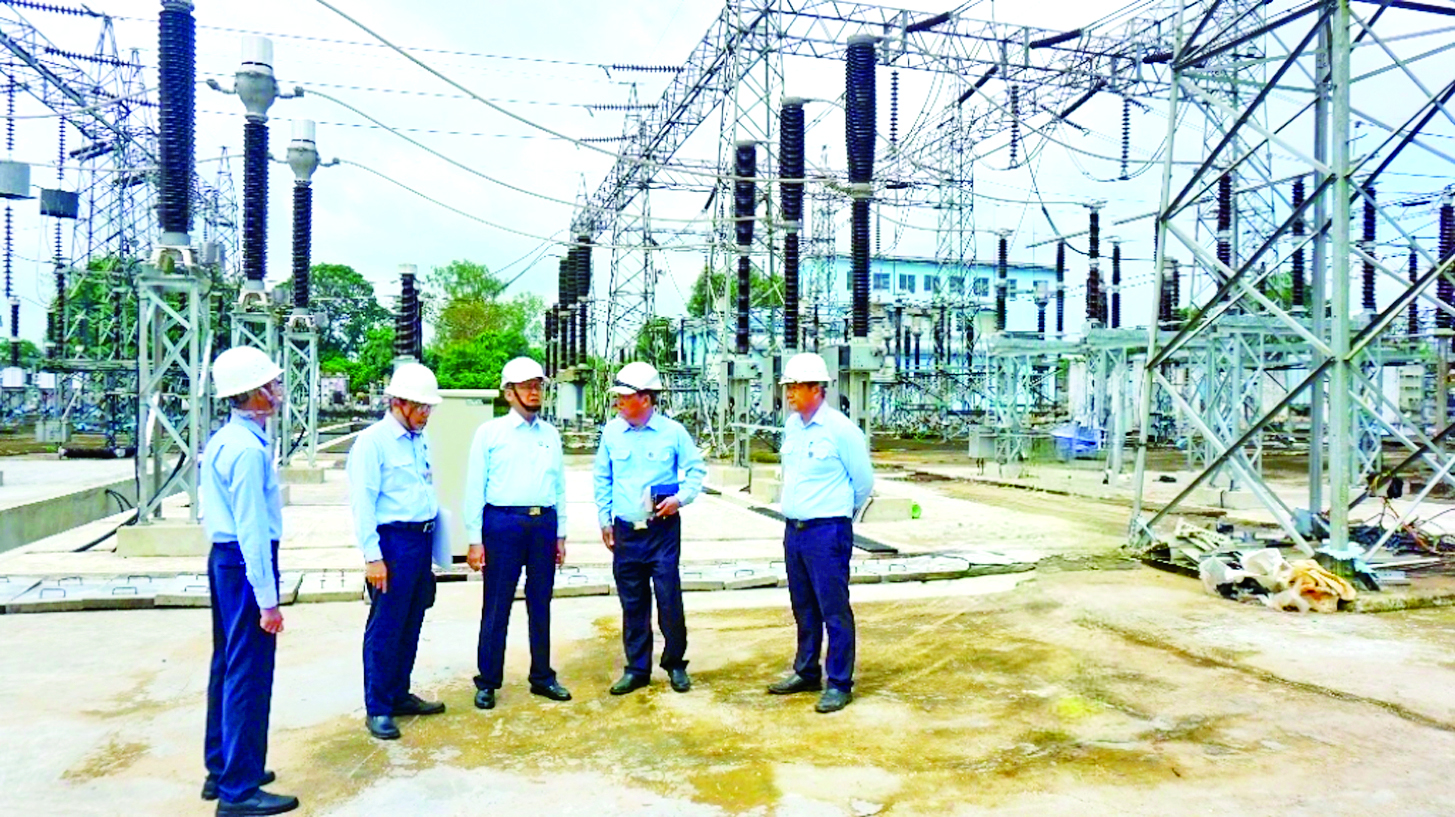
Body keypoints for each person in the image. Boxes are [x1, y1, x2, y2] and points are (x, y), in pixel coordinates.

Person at [199, 346, 299, 816]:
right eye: (272, 384)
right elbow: (253, 528)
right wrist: (268, 600)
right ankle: (239, 790)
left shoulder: (226, 440)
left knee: (228, 663)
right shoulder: (246, 451)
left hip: (225, 559)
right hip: (244, 563)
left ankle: (223, 767)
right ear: (255, 393)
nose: (278, 391)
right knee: (249, 673)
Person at [346, 362, 447, 741]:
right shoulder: (372, 443)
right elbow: (363, 503)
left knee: (412, 619)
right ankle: (378, 706)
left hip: (421, 542)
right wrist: (373, 557)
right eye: (420, 407)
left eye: (428, 407)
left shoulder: (420, 439)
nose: (426, 414)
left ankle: (399, 693)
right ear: (398, 403)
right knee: (386, 626)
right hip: (392, 544)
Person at [768, 352, 874, 713]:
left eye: (795, 387)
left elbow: (863, 483)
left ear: (816, 389)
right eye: (788, 386)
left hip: (827, 531)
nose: (789, 393)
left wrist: (837, 514)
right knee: (803, 606)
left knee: (833, 608)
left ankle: (839, 682)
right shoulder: (793, 427)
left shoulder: (841, 431)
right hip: (795, 531)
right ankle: (807, 671)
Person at [593, 361, 706, 696]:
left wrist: (680, 499)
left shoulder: (673, 433)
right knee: (633, 601)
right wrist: (604, 519)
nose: (618, 403)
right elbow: (602, 477)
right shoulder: (612, 433)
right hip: (626, 531)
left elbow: (696, 470)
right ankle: (637, 669)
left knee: (669, 597)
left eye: (624, 397)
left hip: (662, 529)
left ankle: (675, 663)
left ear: (645, 398)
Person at [464, 356, 571, 709]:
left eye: (538, 385)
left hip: (543, 524)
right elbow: (474, 487)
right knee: (497, 604)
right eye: (527, 386)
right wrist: (475, 539)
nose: (534, 392)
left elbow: (559, 486)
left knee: (541, 603)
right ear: (509, 393)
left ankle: (542, 676)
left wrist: (561, 533)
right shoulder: (490, 433)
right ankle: (488, 681)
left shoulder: (550, 435)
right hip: (503, 524)